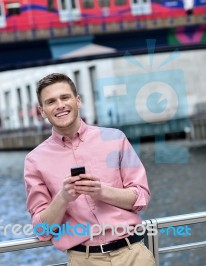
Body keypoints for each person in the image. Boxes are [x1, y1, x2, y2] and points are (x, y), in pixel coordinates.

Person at [23, 73, 155, 266]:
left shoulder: (115, 139)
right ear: (42, 111)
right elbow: (42, 230)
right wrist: (63, 197)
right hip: (83, 260)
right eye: (51, 101)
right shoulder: (34, 160)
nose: (59, 105)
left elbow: (141, 198)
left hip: (133, 256)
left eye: (65, 97)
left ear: (78, 101)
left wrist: (101, 192)